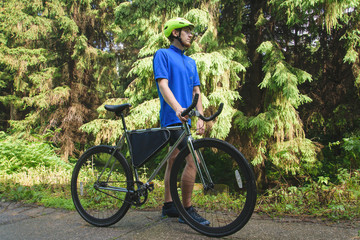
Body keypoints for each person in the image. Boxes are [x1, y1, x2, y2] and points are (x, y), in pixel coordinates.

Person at [153, 17, 209, 225]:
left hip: (186, 119)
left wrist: (200, 115)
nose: (191, 34)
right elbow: (163, 85)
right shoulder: (163, 55)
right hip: (172, 118)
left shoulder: (191, 62)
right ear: (175, 33)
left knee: (174, 160)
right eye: (186, 31)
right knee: (193, 161)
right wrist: (177, 108)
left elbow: (197, 91)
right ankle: (186, 210)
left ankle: (169, 205)